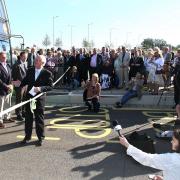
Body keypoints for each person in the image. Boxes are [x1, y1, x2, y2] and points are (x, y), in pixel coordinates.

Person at [20, 55, 53, 146]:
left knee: (39, 118)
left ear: (43, 63)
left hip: (39, 100)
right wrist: (20, 83)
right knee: (29, 118)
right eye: (35, 59)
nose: (35, 61)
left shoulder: (47, 73)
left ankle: (40, 137)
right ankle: (27, 136)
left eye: (38, 60)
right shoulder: (30, 70)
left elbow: (50, 87)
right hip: (30, 99)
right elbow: (25, 81)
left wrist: (40, 88)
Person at [12, 51, 28, 121]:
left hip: (25, 85)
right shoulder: (16, 64)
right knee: (19, 99)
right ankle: (18, 114)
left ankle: (23, 111)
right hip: (19, 85)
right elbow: (14, 75)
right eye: (24, 56)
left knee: (24, 98)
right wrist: (16, 83)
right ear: (21, 56)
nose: (26, 58)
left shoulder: (26, 63)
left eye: (26, 57)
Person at [0, 52, 14, 128]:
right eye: (2, 57)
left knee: (7, 104)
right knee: (0, 106)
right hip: (1, 89)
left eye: (5, 57)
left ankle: (7, 117)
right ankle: (0, 121)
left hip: (8, 89)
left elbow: (11, 76)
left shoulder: (8, 65)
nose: (4, 58)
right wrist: (6, 86)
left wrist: (11, 85)